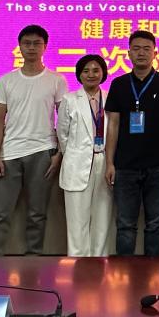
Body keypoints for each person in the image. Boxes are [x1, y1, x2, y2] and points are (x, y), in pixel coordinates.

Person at [0, 25, 67, 255]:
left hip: (43, 151)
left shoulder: (56, 80)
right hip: (9, 152)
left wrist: (59, 153)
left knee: (37, 213)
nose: (31, 47)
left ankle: (34, 259)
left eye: (36, 43)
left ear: (45, 47)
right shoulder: (6, 80)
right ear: (19, 47)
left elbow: (63, 120)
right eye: (27, 43)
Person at [104, 30, 159, 255]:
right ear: (128, 53)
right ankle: (125, 272)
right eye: (136, 49)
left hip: (158, 164)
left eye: (147, 49)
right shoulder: (118, 84)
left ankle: (153, 271)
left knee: (155, 223)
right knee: (125, 224)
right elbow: (113, 125)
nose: (141, 53)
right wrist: (109, 163)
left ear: (155, 53)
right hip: (125, 165)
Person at [57, 54, 113, 257]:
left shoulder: (110, 98)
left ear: (103, 73)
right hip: (77, 163)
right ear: (79, 75)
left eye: (96, 70)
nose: (91, 74)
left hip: (105, 161)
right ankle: (77, 263)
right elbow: (62, 134)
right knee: (77, 221)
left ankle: (100, 261)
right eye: (86, 71)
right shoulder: (69, 99)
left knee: (102, 218)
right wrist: (74, 154)